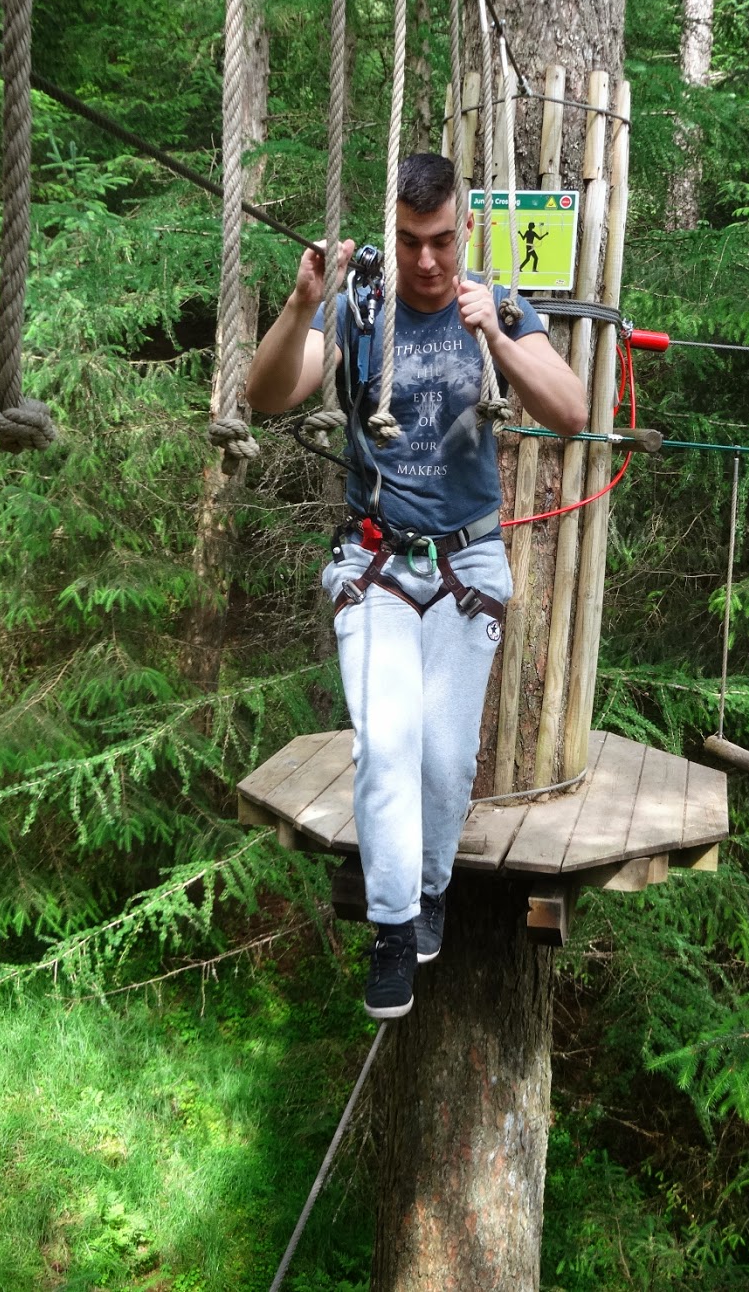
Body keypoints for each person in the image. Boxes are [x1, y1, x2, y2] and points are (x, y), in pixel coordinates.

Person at [246, 153, 587, 1019]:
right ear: (390, 233)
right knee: (387, 742)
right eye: (408, 241)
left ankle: (429, 888)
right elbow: (268, 393)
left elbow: (573, 411)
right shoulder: (362, 309)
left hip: (467, 564)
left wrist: (497, 339)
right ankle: (394, 925)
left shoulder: (498, 307)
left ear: (464, 229)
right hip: (377, 563)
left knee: (444, 758)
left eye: (439, 241)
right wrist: (300, 305)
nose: (426, 260)